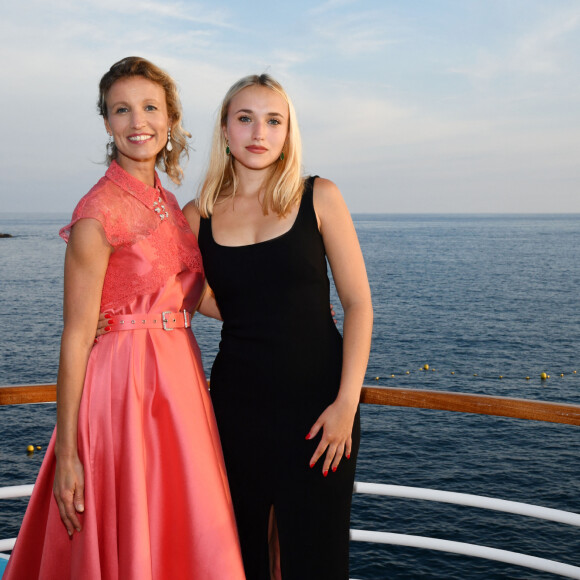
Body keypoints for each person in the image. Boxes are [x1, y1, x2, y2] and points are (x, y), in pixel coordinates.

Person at [4, 57, 245, 580]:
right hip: (124, 388)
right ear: (107, 122)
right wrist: (66, 454)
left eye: (150, 107)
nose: (138, 121)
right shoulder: (97, 213)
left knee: (186, 528)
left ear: (170, 119)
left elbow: (194, 297)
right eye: (122, 110)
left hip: (179, 381)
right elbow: (74, 336)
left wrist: (288, 306)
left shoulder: (168, 201)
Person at [182, 74, 373, 580]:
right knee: (244, 551)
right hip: (236, 407)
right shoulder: (198, 216)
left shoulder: (320, 196)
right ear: (225, 130)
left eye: (273, 120)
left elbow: (359, 305)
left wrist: (346, 404)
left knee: (315, 553)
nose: (258, 132)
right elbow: (174, 291)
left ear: (288, 132)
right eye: (244, 118)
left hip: (320, 408)